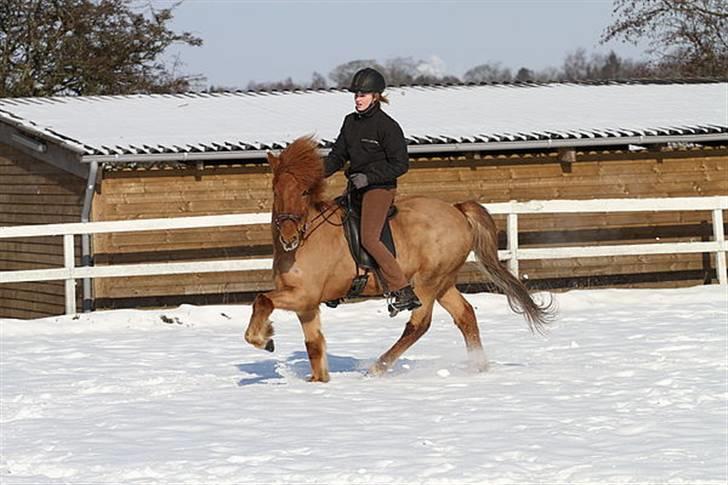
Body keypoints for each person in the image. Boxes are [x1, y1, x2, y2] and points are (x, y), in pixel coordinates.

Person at [324, 67, 422, 315]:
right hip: (354, 188)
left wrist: (369, 177)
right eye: (356, 94)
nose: (358, 98)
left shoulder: (387, 126)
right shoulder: (350, 122)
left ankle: (402, 289)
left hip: (380, 188)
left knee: (369, 237)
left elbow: (401, 164)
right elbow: (337, 156)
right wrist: (313, 175)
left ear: (376, 96)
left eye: (363, 94)